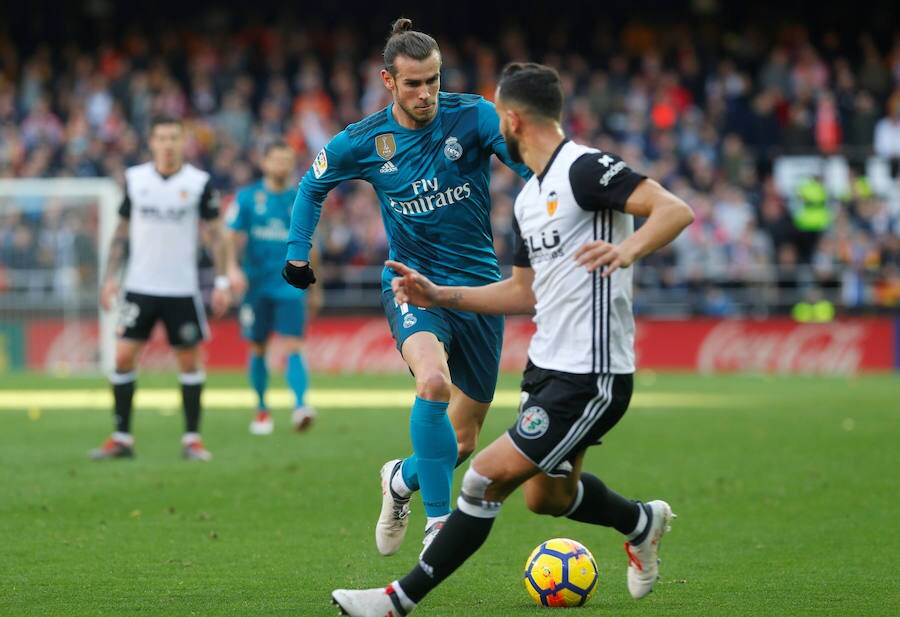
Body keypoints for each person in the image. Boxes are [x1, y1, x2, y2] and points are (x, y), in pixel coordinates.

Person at [330, 62, 694, 616]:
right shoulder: (529, 199)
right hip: (547, 367)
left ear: (514, 119)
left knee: (480, 480)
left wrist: (627, 250)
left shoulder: (584, 169)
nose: (490, 125)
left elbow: (675, 210)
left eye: (497, 115)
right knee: (546, 496)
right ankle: (642, 522)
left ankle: (395, 601)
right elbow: (523, 293)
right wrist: (441, 296)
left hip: (591, 373)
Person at [282, 18, 530, 555]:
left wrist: (550, 190)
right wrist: (296, 254)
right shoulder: (365, 139)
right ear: (388, 81)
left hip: (481, 292)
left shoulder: (475, 115)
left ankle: (400, 480)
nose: (426, 93)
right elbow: (312, 183)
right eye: (414, 83)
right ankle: (438, 525)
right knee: (433, 383)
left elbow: (527, 165)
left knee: (462, 442)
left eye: (433, 81)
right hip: (411, 285)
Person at [90, 116, 230, 462]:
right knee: (122, 356)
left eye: (174, 138)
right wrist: (110, 277)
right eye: (161, 138)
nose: (168, 144)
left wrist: (223, 280)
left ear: (183, 142)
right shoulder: (136, 180)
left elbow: (215, 233)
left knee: (188, 360)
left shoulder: (198, 182)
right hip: (139, 286)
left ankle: (192, 439)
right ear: (151, 143)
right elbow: (121, 231)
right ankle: (122, 436)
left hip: (181, 289)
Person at [224, 140, 322, 435]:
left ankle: (301, 405)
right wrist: (231, 268)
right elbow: (230, 236)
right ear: (264, 163)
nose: (282, 165)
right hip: (255, 285)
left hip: (289, 285)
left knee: (293, 343)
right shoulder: (247, 198)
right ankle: (262, 408)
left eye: (286, 160)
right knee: (258, 346)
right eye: (276, 159)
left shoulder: (300, 198)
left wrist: (315, 287)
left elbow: (310, 245)